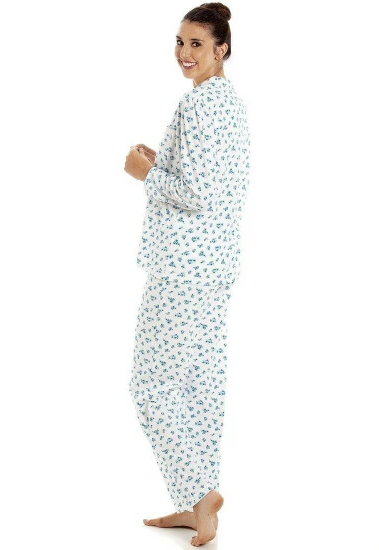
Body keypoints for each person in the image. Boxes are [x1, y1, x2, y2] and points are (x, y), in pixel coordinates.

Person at [123, 2, 250, 546]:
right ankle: (199, 505)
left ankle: (199, 494)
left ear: (222, 49)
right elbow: (214, 186)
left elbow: (197, 193)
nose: (184, 53)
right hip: (215, 265)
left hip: (181, 269)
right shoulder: (231, 104)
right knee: (199, 386)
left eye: (196, 43)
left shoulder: (199, 106)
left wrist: (146, 173)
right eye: (179, 42)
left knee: (150, 385)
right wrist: (165, 164)